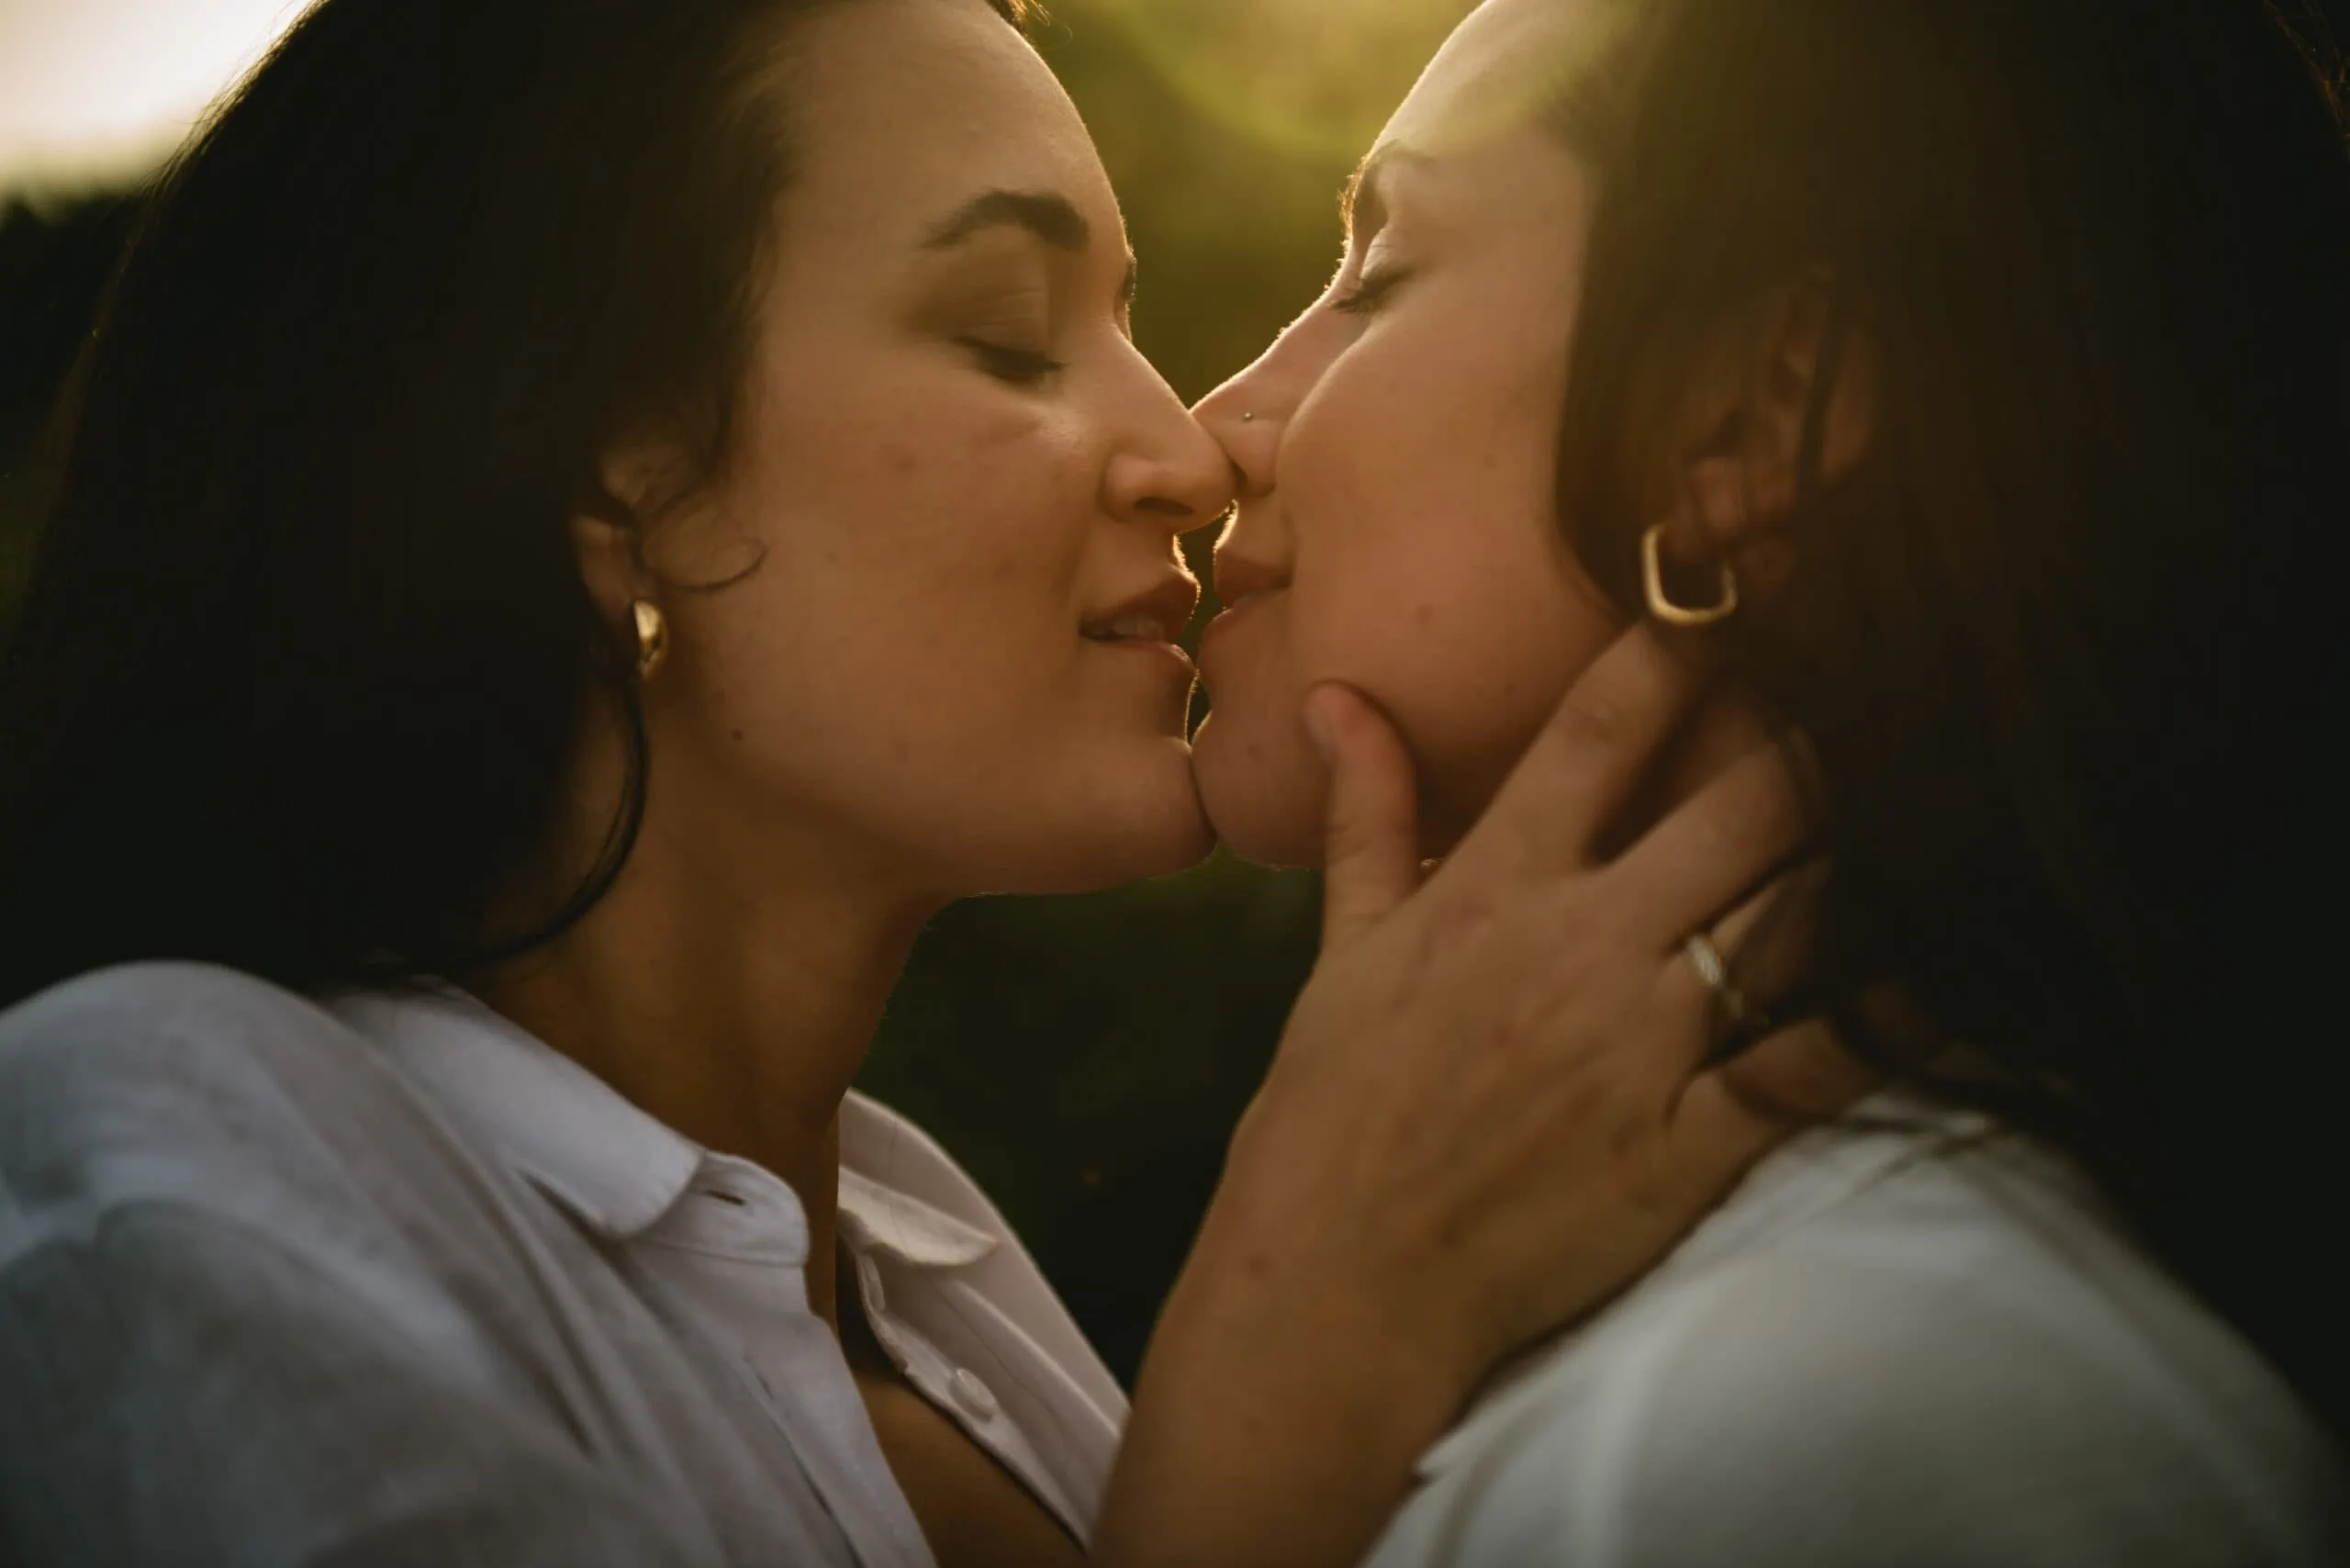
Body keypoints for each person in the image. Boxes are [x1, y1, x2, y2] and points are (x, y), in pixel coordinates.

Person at [0, 0, 1853, 1563]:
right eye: (1003, 335)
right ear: (611, 474)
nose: (1184, 447)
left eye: (1128, 323)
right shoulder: (163, 1174)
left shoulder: (926, 1260)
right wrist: (1305, 1368)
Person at [1176, 0, 2350, 1562]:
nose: (1214, 429)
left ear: (1759, 406)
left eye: (1381, 276)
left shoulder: (1785, 1438)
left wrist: (1258, 1412)